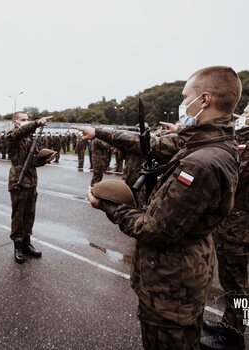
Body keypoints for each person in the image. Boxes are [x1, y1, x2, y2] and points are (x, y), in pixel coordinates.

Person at [75, 66, 242, 349]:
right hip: (190, 268)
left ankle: (239, 328)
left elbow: (155, 229)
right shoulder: (212, 141)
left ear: (204, 100)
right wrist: (100, 132)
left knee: (234, 293)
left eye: (184, 96)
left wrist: (108, 206)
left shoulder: (199, 162)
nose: (182, 102)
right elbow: (149, 143)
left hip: (171, 282)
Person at [200, 103, 249, 350]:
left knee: (238, 287)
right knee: (234, 285)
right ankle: (231, 324)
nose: (244, 115)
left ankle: (237, 334)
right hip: (235, 226)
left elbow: (233, 176)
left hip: (239, 229)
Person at [5, 112, 55, 264]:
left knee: (29, 214)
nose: (26, 122)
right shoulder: (12, 136)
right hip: (18, 182)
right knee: (18, 216)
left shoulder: (30, 139)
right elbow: (20, 133)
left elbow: (33, 161)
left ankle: (27, 243)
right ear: (15, 122)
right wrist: (35, 123)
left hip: (31, 181)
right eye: (23, 120)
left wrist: (44, 160)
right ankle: (18, 246)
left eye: (27, 119)